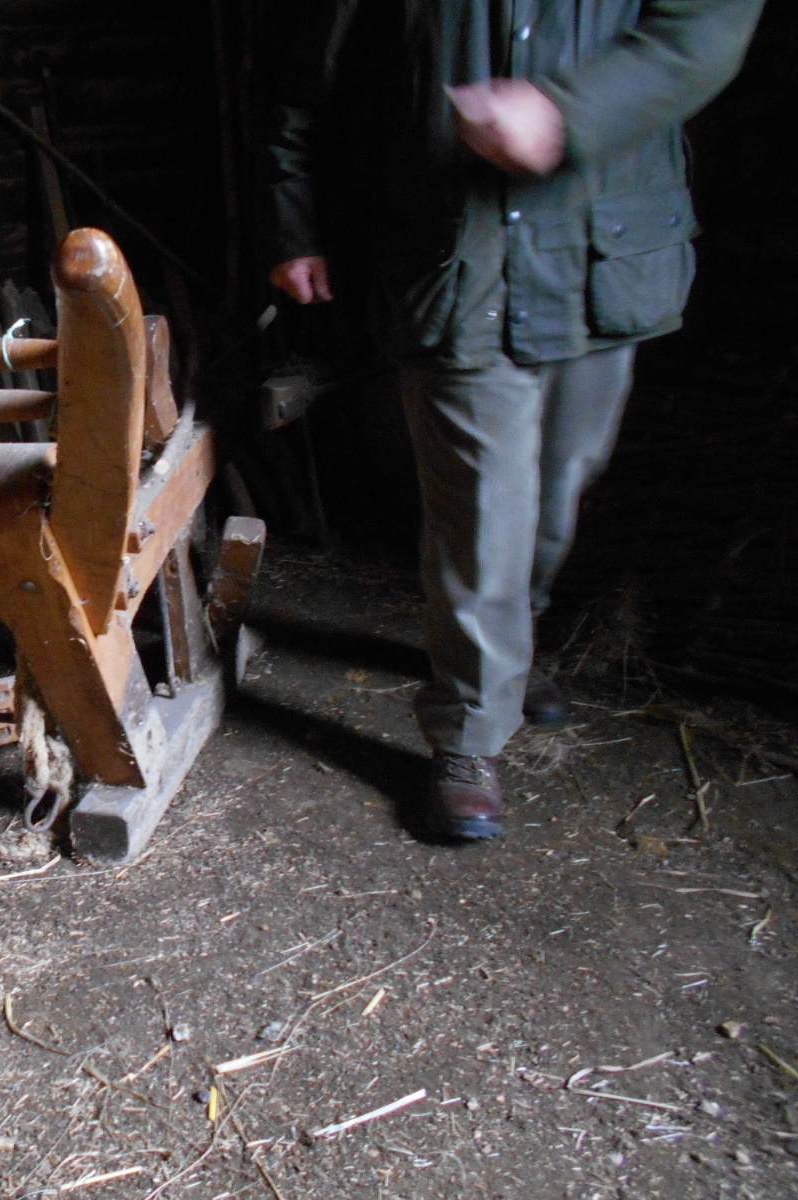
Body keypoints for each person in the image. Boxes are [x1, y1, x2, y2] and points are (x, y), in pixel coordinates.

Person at [263, 1, 765, 840]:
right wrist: (294, 222)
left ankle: (509, 648)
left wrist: (567, 113)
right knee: (482, 509)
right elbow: (308, 85)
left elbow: (705, 30)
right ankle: (469, 732)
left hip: (602, 259)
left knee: (561, 491)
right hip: (457, 262)